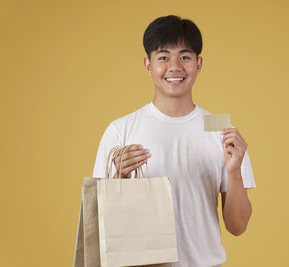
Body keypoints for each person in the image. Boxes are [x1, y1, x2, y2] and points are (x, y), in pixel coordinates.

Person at [93, 15, 256, 267]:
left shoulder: (221, 130)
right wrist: (119, 181)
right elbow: (100, 226)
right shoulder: (121, 130)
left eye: (185, 57)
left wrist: (234, 173)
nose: (175, 66)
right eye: (164, 57)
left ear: (199, 64)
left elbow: (238, 226)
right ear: (148, 65)